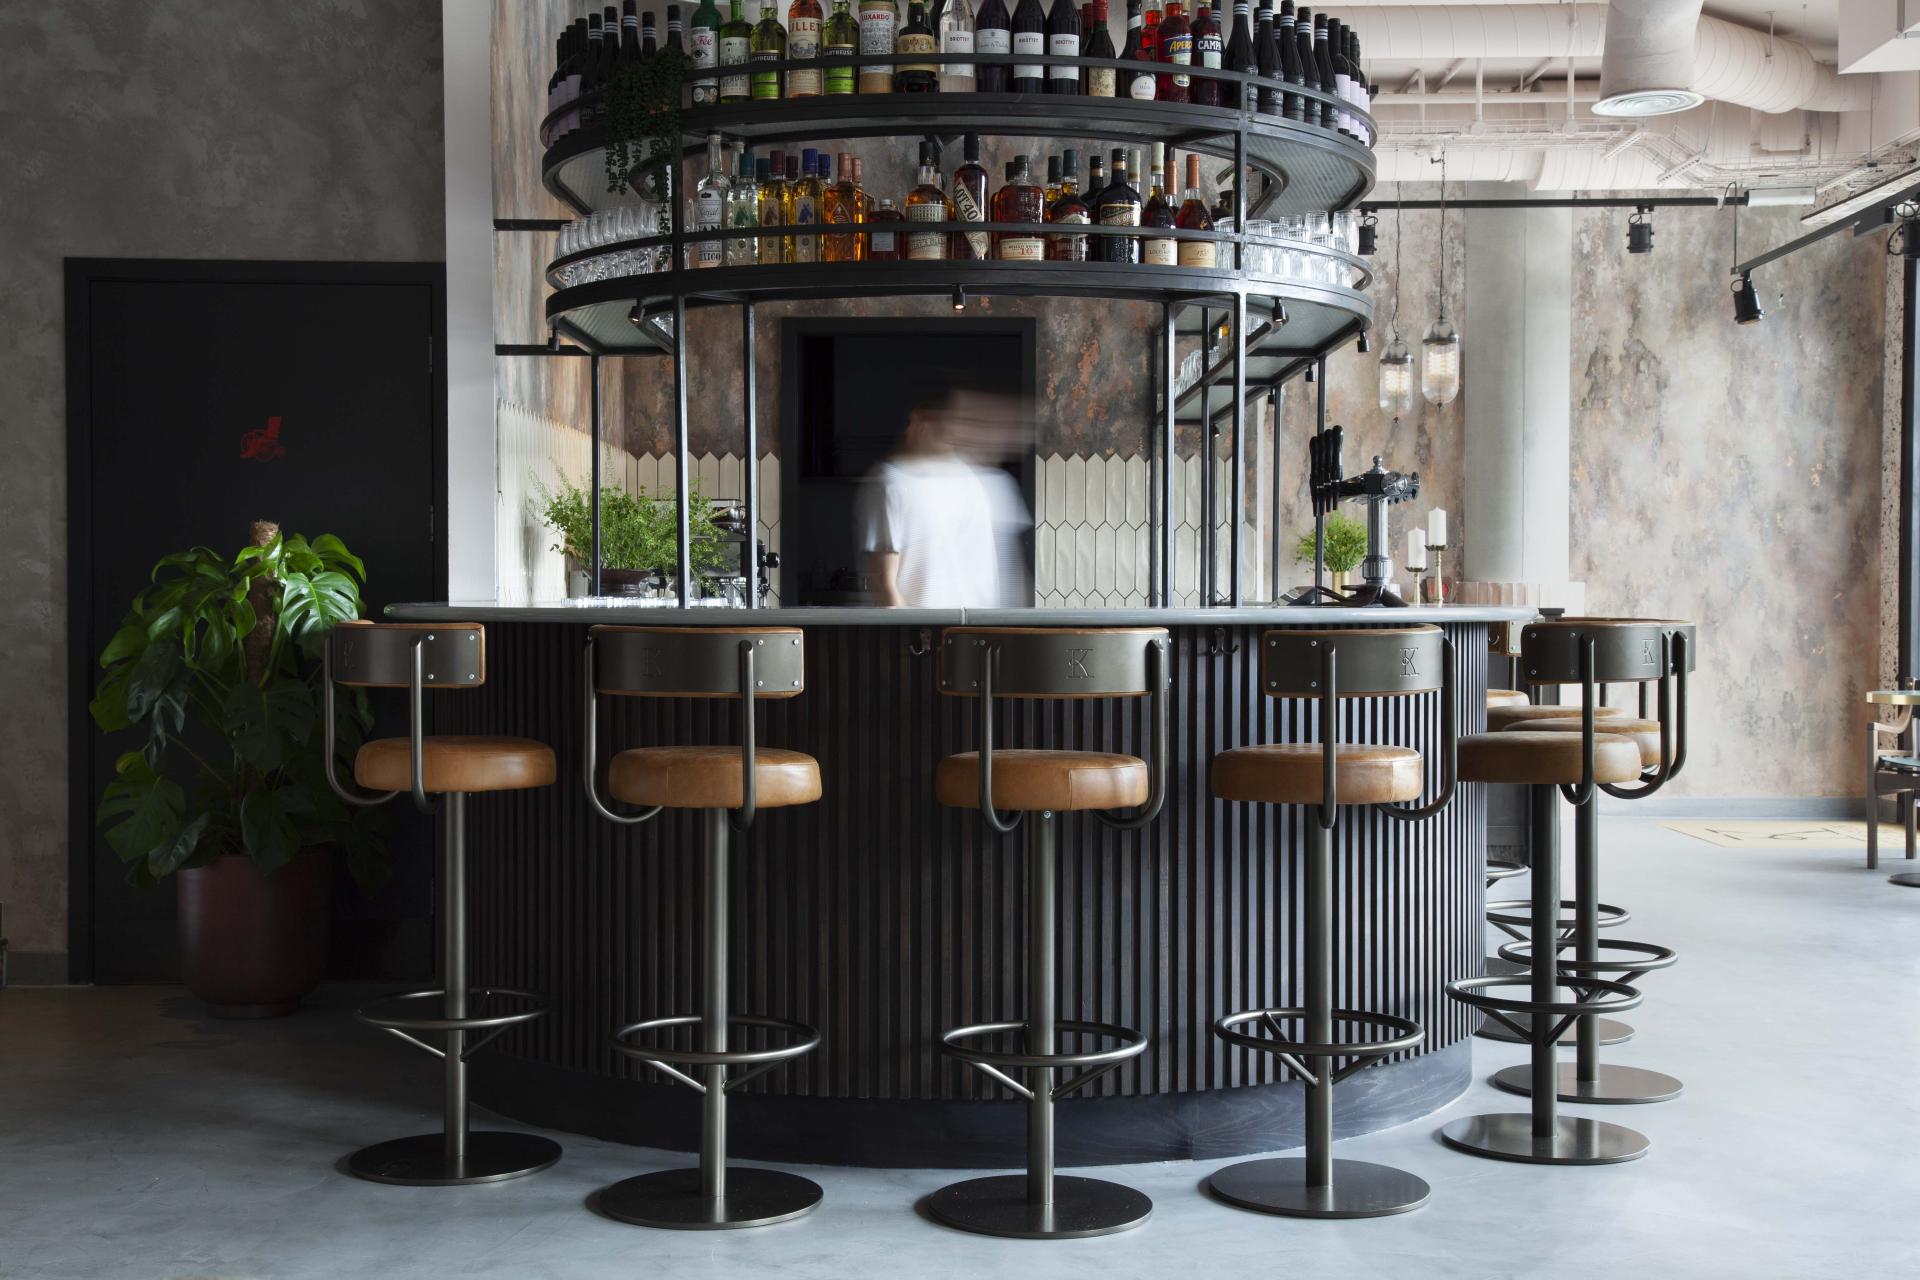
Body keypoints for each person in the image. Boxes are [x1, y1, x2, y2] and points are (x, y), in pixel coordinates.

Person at [859, 385, 1032, 607]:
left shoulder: (989, 482)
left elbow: (1013, 577)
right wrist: (908, 635)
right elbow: (884, 585)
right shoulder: (891, 482)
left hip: (983, 630)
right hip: (924, 634)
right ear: (920, 422)